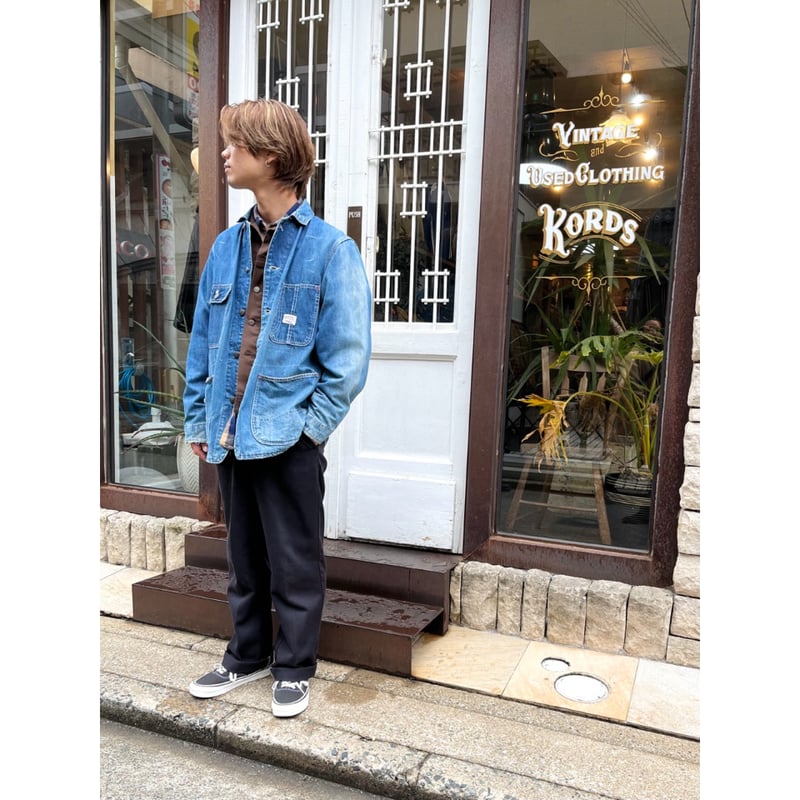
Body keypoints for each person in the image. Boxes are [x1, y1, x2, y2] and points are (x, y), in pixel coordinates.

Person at [182, 99, 372, 718]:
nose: (224, 153)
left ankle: (294, 666)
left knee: (295, 561)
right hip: (230, 432)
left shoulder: (331, 251)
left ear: (270, 155)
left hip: (288, 436)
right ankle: (246, 655)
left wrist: (309, 431)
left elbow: (347, 360)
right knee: (243, 557)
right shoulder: (225, 248)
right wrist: (198, 418)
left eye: (235, 144)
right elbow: (204, 344)